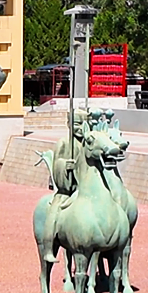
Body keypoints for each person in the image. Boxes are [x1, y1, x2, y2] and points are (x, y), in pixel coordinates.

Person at [42, 109, 89, 263]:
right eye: (76, 124)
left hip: (85, 188)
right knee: (54, 212)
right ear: (68, 124)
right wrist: (64, 166)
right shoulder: (63, 143)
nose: (80, 128)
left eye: (84, 124)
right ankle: (49, 247)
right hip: (67, 189)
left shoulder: (87, 143)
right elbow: (56, 165)